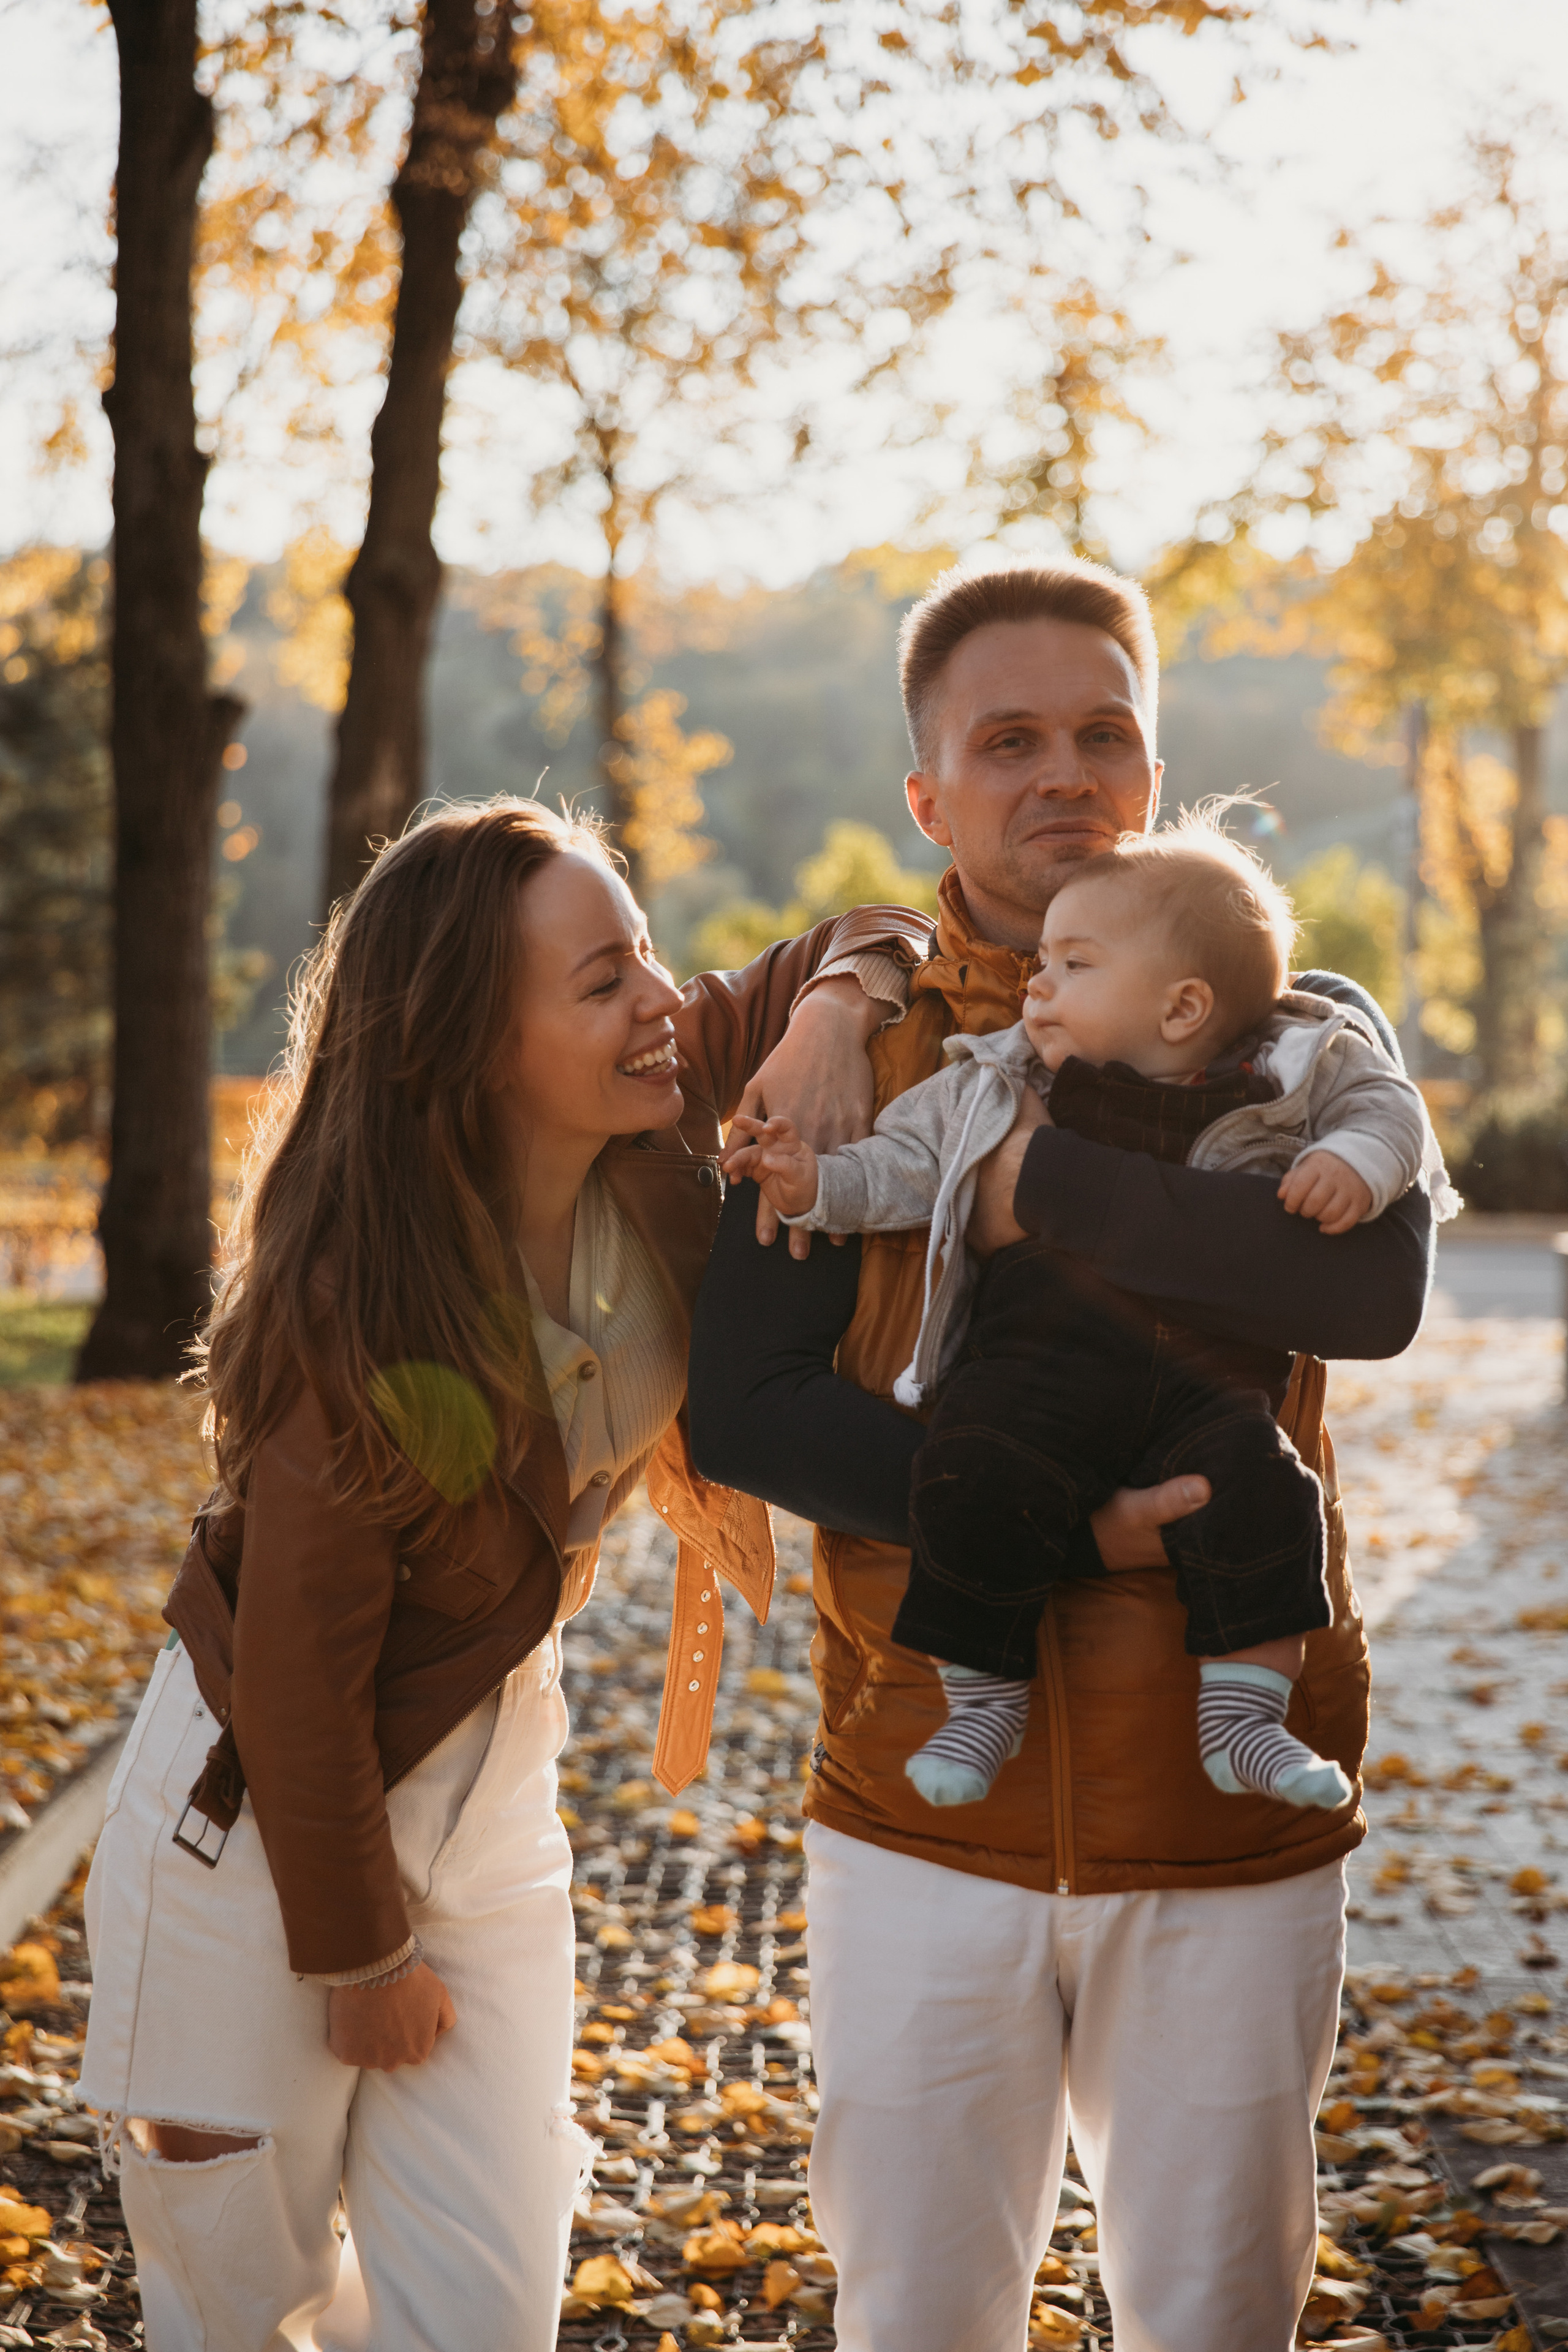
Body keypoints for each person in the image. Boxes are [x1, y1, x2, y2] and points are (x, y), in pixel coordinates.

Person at [688, 560, 1434, 2352]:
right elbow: (751, 1405)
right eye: (1007, 739)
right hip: (921, 1814)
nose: (1064, 774)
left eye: (1106, 732)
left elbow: (1370, 1290)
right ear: (929, 796)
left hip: (1227, 1830)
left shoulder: (1291, 1015)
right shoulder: (859, 1042)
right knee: (920, 2318)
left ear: (1154, 770)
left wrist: (1043, 1190)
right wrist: (1077, 1537)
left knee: (1215, 2316)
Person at [78, 797, 925, 2351]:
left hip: (493, 1787)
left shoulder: (660, 1123)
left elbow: (881, 931)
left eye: (649, 953)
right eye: (601, 979)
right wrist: (357, 1951)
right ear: (473, 1040)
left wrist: (830, 1015)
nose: (660, 1000)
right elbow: (297, 1670)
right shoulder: (359, 1298)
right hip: (262, 1818)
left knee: (482, 2310)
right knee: (233, 2309)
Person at [726, 810, 1456, 1825]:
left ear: (1182, 1005)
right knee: (973, 1465)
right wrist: (815, 1184)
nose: (1039, 986)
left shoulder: (1294, 1057)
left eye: (1073, 966)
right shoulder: (996, 1073)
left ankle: (1246, 1718)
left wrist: (1355, 1164)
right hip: (1040, 1366)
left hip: (1210, 1383)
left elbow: (1392, 1111)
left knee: (1265, 1493)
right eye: (1043, 964)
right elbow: (900, 1168)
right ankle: (980, 1699)